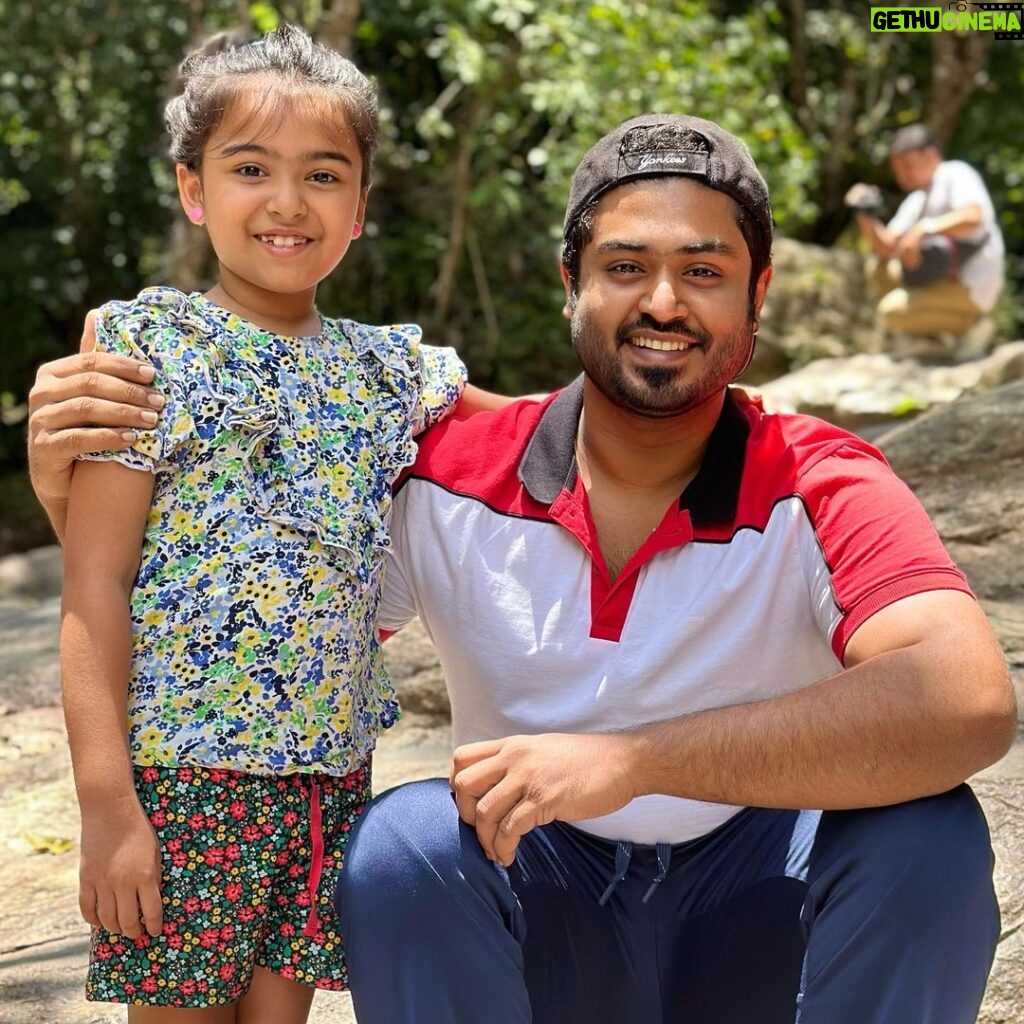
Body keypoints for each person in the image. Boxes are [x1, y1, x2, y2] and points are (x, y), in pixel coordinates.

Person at [27, 115, 1016, 1024]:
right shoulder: (446, 472)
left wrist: (630, 758)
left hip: (755, 912)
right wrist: (72, 493)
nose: (662, 302)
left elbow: (964, 700)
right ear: (569, 283)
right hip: (548, 923)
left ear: (757, 294)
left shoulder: (818, 476)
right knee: (406, 843)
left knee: (923, 837)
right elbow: (237, 609)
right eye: (625, 265)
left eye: (703, 272)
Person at [47, 23, 509, 1024]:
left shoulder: (393, 371)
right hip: (184, 781)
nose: (289, 201)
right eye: (250, 167)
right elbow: (94, 587)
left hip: (327, 780)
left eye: (324, 174)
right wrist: (105, 805)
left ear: (358, 208)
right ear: (193, 187)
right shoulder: (147, 350)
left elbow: (537, 436)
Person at [846, 122, 1004, 349]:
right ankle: (933, 336)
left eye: (908, 166)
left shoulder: (955, 173)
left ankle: (971, 324)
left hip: (971, 285)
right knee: (879, 270)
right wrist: (864, 213)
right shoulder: (918, 199)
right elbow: (885, 247)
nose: (903, 176)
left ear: (930, 155)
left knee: (892, 311)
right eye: (897, 169)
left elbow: (974, 217)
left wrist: (924, 228)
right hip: (938, 276)